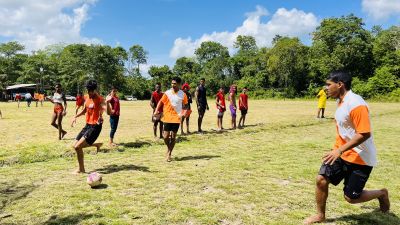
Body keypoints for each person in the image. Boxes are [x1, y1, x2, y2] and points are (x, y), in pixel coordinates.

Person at [304, 71, 390, 224]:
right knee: (321, 180)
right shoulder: (341, 101)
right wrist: (337, 149)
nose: (326, 88)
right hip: (341, 153)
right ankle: (320, 215)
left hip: (361, 157)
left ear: (340, 84)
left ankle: (381, 194)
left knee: (351, 197)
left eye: (329, 84)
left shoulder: (356, 104)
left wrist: (339, 150)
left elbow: (364, 133)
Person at [71, 80, 110, 174]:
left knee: (77, 147)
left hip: (95, 126)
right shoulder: (87, 97)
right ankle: (96, 144)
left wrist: (108, 103)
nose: (89, 93)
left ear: (94, 90)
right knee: (74, 145)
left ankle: (81, 169)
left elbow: (109, 112)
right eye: (88, 91)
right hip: (87, 125)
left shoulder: (100, 99)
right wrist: (75, 116)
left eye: (91, 91)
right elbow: (85, 110)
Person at [153, 77, 188, 162]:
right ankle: (169, 149)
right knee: (165, 136)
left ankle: (169, 153)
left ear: (179, 84)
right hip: (167, 117)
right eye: (172, 83)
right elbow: (160, 102)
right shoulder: (167, 93)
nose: (173, 85)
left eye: (175, 83)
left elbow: (186, 105)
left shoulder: (183, 94)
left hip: (176, 118)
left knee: (173, 136)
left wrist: (184, 113)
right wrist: (156, 110)